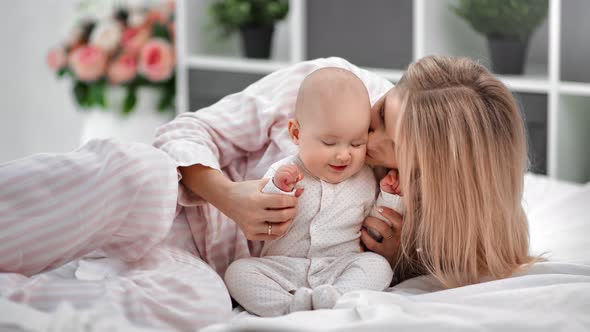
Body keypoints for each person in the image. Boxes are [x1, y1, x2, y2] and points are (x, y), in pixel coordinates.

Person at [0, 56, 537, 331]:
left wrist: (392, 258)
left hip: (207, 269)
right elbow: (189, 130)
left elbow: (488, 245)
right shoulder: (331, 83)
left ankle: (21, 309)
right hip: (166, 209)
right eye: (381, 114)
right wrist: (229, 195)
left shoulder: (422, 212)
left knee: (202, 303)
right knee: (140, 173)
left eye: (387, 144)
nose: (366, 141)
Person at [224, 67, 403, 317]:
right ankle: (286, 307)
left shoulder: (365, 178)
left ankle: (337, 297)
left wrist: (390, 195)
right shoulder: (285, 171)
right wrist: (279, 187)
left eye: (357, 143)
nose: (343, 154)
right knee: (238, 272)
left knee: (377, 266)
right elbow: (264, 207)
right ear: (297, 134)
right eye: (330, 143)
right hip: (283, 267)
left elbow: (375, 222)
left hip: (339, 266)